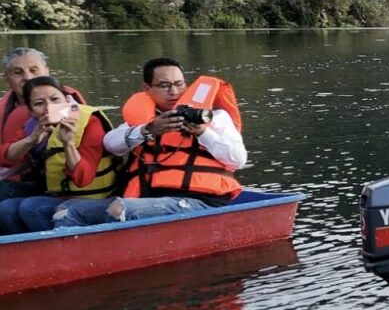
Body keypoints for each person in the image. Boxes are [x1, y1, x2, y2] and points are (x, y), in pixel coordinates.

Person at [54, 58, 246, 227]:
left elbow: (238, 159)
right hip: (148, 199)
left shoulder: (216, 117)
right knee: (68, 209)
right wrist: (147, 130)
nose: (174, 91)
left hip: (199, 201)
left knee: (120, 208)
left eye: (179, 84)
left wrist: (203, 133)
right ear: (147, 89)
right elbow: (110, 144)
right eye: (164, 85)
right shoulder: (142, 118)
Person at [0, 77, 118, 234]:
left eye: (55, 99)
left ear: (67, 99)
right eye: (39, 103)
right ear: (31, 110)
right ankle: (22, 251)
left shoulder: (90, 121)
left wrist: (68, 143)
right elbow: (6, 158)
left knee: (30, 208)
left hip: (90, 199)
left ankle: (56, 251)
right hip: (55, 193)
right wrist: (32, 139)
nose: (49, 107)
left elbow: (84, 179)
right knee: (5, 209)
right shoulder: (33, 124)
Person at [1, 47, 86, 204]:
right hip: (18, 179)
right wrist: (32, 138)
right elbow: (5, 157)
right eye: (18, 72)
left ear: (47, 71)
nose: (27, 77)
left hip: (63, 183)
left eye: (34, 70)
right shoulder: (6, 108)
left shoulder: (66, 102)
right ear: (7, 78)